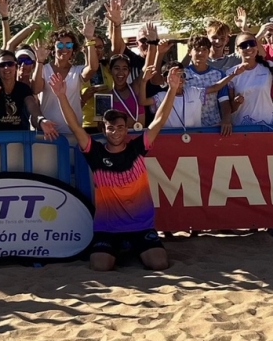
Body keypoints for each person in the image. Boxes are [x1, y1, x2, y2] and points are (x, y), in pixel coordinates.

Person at [47, 66, 185, 272]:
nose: (116, 132)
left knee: (159, 263)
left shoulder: (137, 148)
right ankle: (121, 249)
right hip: (108, 228)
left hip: (140, 226)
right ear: (104, 130)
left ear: (126, 128)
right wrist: (61, 96)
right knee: (100, 265)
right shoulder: (95, 152)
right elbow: (75, 126)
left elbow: (159, 121)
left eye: (120, 127)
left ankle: (133, 248)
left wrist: (172, 89)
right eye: (111, 128)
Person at [32, 23, 99, 135]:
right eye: (60, 45)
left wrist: (89, 39)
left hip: (73, 132)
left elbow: (93, 67)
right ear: (53, 47)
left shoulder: (77, 71)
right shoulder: (43, 69)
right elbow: (35, 89)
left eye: (68, 45)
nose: (64, 49)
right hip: (49, 132)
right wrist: (39, 62)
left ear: (73, 49)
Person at [138, 61, 240, 131]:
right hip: (170, 140)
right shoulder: (161, 96)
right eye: (176, 75)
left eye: (183, 75)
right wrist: (143, 81)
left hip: (195, 140)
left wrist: (233, 75)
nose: (180, 79)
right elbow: (142, 102)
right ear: (166, 79)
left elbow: (215, 87)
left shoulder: (193, 92)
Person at [0, 50, 59, 138]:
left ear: (16, 66)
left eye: (10, 64)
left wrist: (41, 120)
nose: (6, 67)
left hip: (19, 140)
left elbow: (31, 105)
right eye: (2, 65)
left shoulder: (23, 88)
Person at [228, 33, 273, 127]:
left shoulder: (269, 66)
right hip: (241, 128)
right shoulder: (231, 73)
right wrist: (236, 102)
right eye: (243, 45)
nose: (248, 47)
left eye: (251, 43)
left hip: (269, 126)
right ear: (237, 49)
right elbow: (229, 109)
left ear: (257, 46)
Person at [181, 34, 234, 135]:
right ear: (189, 52)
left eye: (204, 49)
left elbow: (224, 102)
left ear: (209, 52)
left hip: (214, 128)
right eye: (197, 49)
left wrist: (226, 120)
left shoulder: (219, 74)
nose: (201, 53)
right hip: (188, 129)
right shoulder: (181, 75)